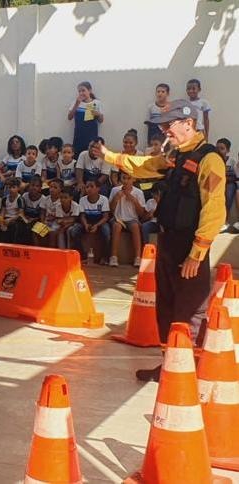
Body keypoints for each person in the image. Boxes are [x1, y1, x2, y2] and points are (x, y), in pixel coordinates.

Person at [97, 99, 226, 382]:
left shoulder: (209, 159)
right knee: (166, 308)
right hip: (167, 242)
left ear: (189, 123)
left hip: (188, 246)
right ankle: (169, 366)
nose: (165, 131)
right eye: (163, 126)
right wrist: (109, 156)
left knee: (189, 309)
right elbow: (143, 166)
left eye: (170, 125)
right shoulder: (174, 157)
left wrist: (198, 252)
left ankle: (185, 372)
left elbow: (215, 208)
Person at [108, 173, 146, 267]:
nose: (126, 181)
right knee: (116, 226)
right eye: (124, 178)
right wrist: (116, 198)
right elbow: (110, 210)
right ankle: (113, 256)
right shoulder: (115, 190)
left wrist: (134, 200)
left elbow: (141, 213)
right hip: (118, 218)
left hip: (132, 219)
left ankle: (137, 257)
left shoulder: (138, 192)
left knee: (135, 226)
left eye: (128, 178)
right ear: (120, 179)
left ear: (133, 179)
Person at [70, 180, 110, 263]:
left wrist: (97, 225)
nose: (89, 189)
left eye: (92, 186)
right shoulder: (82, 200)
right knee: (74, 231)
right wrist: (85, 225)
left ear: (98, 188)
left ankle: (105, 257)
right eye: (87, 187)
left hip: (100, 222)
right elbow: (82, 216)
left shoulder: (104, 199)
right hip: (86, 222)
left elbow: (105, 217)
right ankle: (82, 256)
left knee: (107, 232)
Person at [68, 81, 104, 156]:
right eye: (79, 91)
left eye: (83, 90)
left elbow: (101, 120)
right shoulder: (75, 102)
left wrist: (98, 114)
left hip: (92, 135)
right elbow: (69, 117)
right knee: (77, 154)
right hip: (79, 134)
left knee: (91, 154)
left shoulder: (97, 103)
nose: (81, 93)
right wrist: (77, 104)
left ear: (90, 90)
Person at [215, 138, 236, 233]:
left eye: (222, 148)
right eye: (217, 148)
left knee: (228, 192)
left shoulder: (231, 161)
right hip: (217, 182)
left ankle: (224, 221)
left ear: (227, 150)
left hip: (229, 183)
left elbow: (235, 176)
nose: (219, 151)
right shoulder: (213, 159)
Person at [0, 177, 28, 243]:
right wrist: (0, 220)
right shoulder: (4, 199)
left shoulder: (20, 199)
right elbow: (2, 212)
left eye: (13, 187)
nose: (11, 189)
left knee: (14, 226)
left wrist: (10, 220)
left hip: (16, 219)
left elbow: (21, 214)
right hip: (6, 218)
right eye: (9, 187)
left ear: (18, 188)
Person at [141, 181, 166, 246]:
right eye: (153, 193)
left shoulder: (167, 202)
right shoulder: (150, 202)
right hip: (153, 224)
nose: (154, 195)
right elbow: (143, 219)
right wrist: (149, 214)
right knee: (146, 226)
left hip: (165, 224)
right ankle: (148, 247)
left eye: (156, 194)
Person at [22, 176, 45, 245]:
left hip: (38, 220)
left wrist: (33, 219)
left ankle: (37, 250)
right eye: (32, 185)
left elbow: (42, 216)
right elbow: (21, 211)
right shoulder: (24, 196)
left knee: (35, 229)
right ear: (29, 186)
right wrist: (25, 218)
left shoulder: (43, 199)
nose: (34, 188)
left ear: (40, 188)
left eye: (37, 186)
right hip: (26, 219)